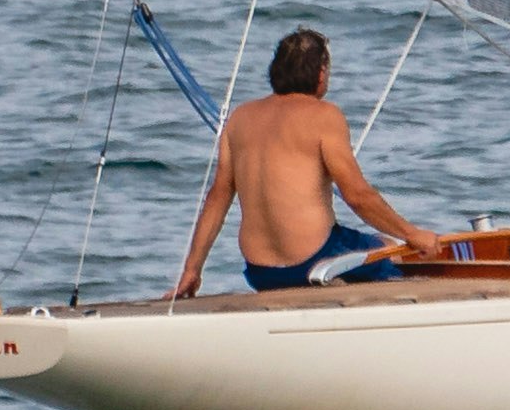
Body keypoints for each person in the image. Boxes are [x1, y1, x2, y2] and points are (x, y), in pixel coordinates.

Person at [173, 28, 457, 295]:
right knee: (391, 250)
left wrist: (192, 269)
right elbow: (357, 196)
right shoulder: (324, 116)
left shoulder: (239, 118)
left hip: (261, 272)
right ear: (321, 74)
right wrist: (413, 234)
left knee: (365, 247)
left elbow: (217, 199)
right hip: (315, 261)